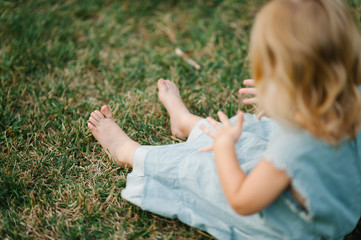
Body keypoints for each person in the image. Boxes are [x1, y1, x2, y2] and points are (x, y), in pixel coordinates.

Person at [87, 0, 361, 239]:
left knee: (208, 164)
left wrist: (224, 150)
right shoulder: (351, 99)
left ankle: (130, 153)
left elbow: (241, 200)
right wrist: (287, 103)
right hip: (337, 208)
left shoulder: (293, 147)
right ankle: (185, 122)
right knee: (258, 133)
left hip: (295, 229)